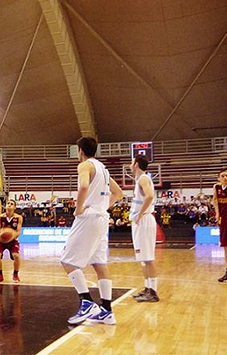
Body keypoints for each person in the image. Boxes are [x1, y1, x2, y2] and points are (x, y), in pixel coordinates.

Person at [60, 137, 123, 325]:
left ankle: (86, 301)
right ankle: (106, 310)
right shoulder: (103, 169)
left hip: (88, 218)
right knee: (99, 264)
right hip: (102, 218)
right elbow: (118, 193)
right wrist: (103, 207)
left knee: (67, 261)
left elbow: (84, 186)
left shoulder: (85, 166)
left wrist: (79, 209)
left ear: (80, 150)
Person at [129, 155, 159, 302]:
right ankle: (147, 288)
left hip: (144, 220)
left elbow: (150, 196)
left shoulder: (143, 179)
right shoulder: (140, 180)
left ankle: (153, 291)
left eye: (131, 162)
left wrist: (140, 213)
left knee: (148, 258)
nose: (130, 164)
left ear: (136, 164)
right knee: (143, 259)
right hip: (140, 221)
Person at [0, 199, 23, 283]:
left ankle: (15, 274)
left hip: (12, 240)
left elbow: (18, 232)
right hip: (1, 241)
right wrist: (0, 235)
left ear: (15, 207)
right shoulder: (0, 217)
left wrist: (11, 235)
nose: (9, 205)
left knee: (16, 256)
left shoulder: (18, 218)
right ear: (5, 206)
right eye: (8, 203)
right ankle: (0, 275)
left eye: (11, 204)